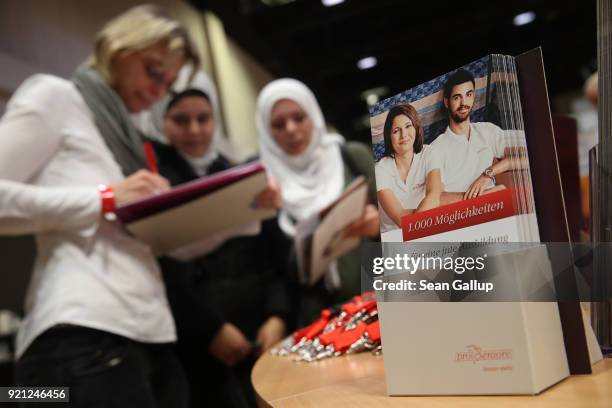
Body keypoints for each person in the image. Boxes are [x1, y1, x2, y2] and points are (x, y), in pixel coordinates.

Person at [0, 6, 199, 407]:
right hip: (80, 335)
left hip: (151, 332)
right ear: (121, 49)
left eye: (170, 84)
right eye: (155, 71)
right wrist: (105, 198)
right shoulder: (55, 96)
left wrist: (248, 212)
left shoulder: (128, 138)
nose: (159, 91)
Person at [145, 67, 291, 408]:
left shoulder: (237, 174)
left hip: (259, 333)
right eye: (181, 120)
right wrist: (209, 329)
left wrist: (277, 316)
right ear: (160, 122)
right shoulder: (152, 181)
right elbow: (159, 266)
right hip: (197, 348)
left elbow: (273, 257)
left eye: (204, 119)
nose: (194, 131)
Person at [256, 78, 380, 325]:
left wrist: (379, 225)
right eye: (278, 124)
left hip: (377, 303)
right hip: (314, 321)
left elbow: (404, 219)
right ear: (267, 132)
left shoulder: (351, 157)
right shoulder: (264, 184)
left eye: (299, 117)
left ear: (314, 116)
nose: (291, 129)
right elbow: (269, 267)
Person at [430, 68, 511, 200]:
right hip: (461, 214)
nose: (464, 103)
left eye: (468, 95)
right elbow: (436, 198)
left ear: (474, 97)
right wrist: (482, 197)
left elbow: (520, 157)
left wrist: (487, 174)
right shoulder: (435, 149)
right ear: (446, 102)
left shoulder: (487, 130)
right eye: (457, 97)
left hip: (496, 205)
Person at [375, 103, 442, 232]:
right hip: (393, 238)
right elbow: (400, 218)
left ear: (416, 128)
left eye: (408, 126)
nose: (403, 135)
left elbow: (434, 195)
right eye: (396, 130)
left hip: (424, 227)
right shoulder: (380, 169)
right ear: (389, 137)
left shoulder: (429, 153)